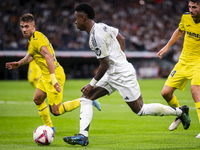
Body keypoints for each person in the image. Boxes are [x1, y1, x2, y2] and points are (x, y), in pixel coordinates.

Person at [63, 3, 191, 146]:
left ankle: (180, 112)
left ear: (83, 18)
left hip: (122, 75)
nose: (75, 22)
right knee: (86, 97)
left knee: (140, 110)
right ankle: (83, 136)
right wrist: (120, 59)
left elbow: (104, 65)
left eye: (76, 19)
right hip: (113, 73)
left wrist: (91, 83)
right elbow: (121, 38)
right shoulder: (102, 26)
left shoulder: (95, 38)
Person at [5, 13, 101, 133]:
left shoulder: (36, 40)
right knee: (37, 99)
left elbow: (49, 57)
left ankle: (87, 99)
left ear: (33, 26)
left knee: (56, 111)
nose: (24, 29)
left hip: (54, 75)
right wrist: (19, 63)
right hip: (46, 76)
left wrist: (53, 79)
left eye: (27, 26)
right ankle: (50, 128)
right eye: (22, 26)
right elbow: (32, 55)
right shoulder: (35, 37)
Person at [157, 0, 200, 138]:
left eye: (194, 7)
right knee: (165, 93)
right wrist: (167, 46)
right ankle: (182, 113)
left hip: (198, 62)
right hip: (183, 62)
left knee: (195, 91)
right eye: (190, 7)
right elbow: (180, 30)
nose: (191, 10)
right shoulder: (186, 17)